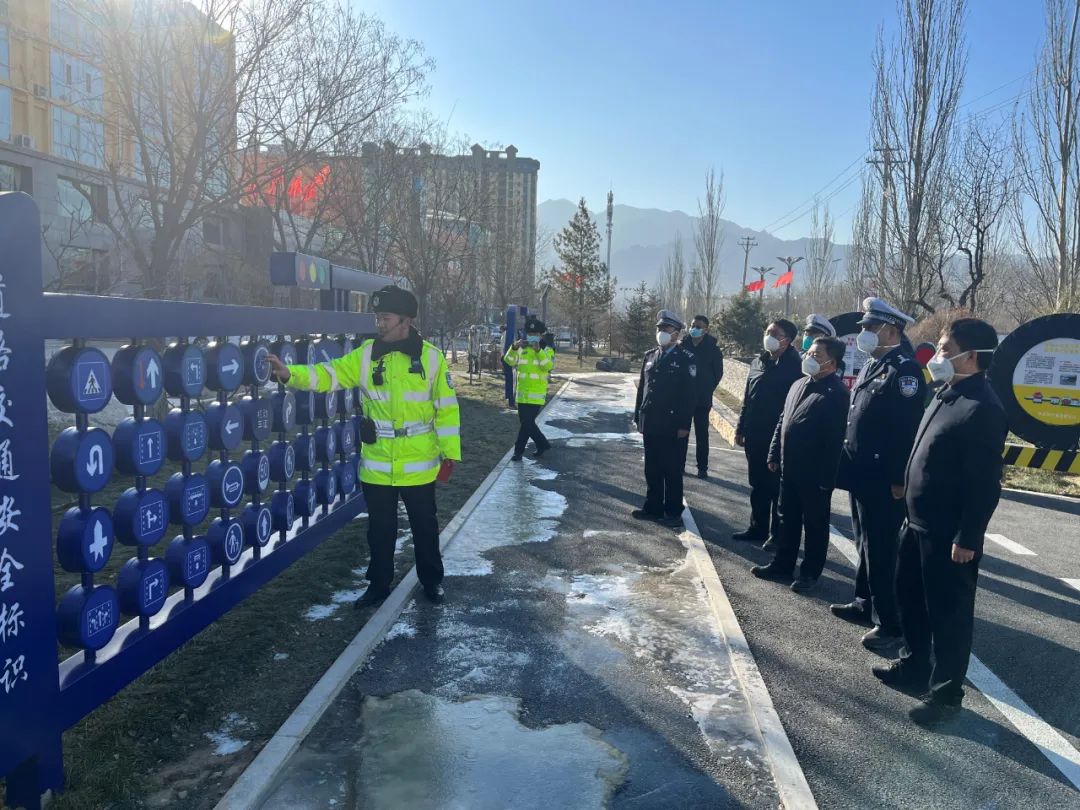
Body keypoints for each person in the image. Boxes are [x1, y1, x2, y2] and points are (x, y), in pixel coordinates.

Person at [267, 285, 460, 607]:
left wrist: (450, 453)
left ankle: (431, 581)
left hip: (419, 464)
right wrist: (291, 375)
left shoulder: (431, 358)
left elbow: (447, 409)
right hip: (378, 463)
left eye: (386, 318)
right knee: (380, 530)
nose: (379, 324)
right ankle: (378, 585)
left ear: (406, 321)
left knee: (424, 527)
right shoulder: (366, 354)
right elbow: (328, 375)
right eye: (377, 317)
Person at [873, 319, 1006, 727]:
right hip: (917, 523)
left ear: (971, 356)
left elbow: (984, 483)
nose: (937, 356)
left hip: (948, 534)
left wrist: (969, 536)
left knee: (949, 614)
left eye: (946, 349)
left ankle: (946, 695)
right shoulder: (945, 394)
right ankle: (914, 665)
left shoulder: (982, 407)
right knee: (910, 598)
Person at [830, 297, 926, 651]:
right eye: (864, 328)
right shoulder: (875, 364)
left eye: (871, 328)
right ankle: (863, 601)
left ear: (891, 330)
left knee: (882, 550)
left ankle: (889, 622)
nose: (864, 333)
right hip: (862, 474)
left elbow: (906, 430)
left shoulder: (905, 371)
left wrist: (899, 478)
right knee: (864, 542)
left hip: (885, 478)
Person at [751, 337, 849, 593]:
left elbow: (834, 441)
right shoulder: (798, 384)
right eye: (809, 353)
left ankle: (809, 573)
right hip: (789, 468)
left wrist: (826, 479)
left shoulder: (836, 393)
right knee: (787, 519)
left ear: (832, 363)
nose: (809, 358)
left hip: (814, 474)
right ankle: (782, 565)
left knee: (815, 525)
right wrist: (774, 453)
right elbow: (783, 420)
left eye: (817, 355)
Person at [733, 319, 803, 546]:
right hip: (755, 434)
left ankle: (777, 535)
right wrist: (741, 428)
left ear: (787, 339)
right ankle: (757, 528)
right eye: (767, 331)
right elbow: (748, 399)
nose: (769, 336)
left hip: (779, 437)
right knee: (758, 485)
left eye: (774, 333)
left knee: (776, 489)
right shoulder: (758, 362)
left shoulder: (797, 367)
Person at [632, 310, 696, 529]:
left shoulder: (686, 358)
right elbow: (643, 389)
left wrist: (684, 425)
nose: (661, 332)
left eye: (666, 329)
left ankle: (673, 511)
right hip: (651, 421)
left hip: (672, 424)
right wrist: (638, 416)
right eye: (659, 328)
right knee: (652, 468)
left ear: (677, 333)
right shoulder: (650, 356)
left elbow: (690, 395)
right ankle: (653, 507)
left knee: (672, 470)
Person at [504, 316, 555, 461]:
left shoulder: (547, 349)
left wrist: (539, 351)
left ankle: (518, 452)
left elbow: (548, 366)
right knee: (526, 424)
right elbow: (509, 361)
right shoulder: (522, 348)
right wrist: (514, 347)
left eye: (535, 334)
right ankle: (542, 445)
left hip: (536, 394)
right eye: (530, 334)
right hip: (522, 393)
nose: (532, 336)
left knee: (527, 423)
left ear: (541, 335)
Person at [680, 315, 725, 479]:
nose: (694, 329)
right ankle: (679, 465)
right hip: (683, 398)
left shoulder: (713, 349)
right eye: (692, 325)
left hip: (702, 399)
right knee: (681, 433)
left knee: (702, 434)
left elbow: (718, 374)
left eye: (698, 326)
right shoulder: (683, 345)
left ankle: (702, 467)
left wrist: (706, 388)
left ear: (706, 329)